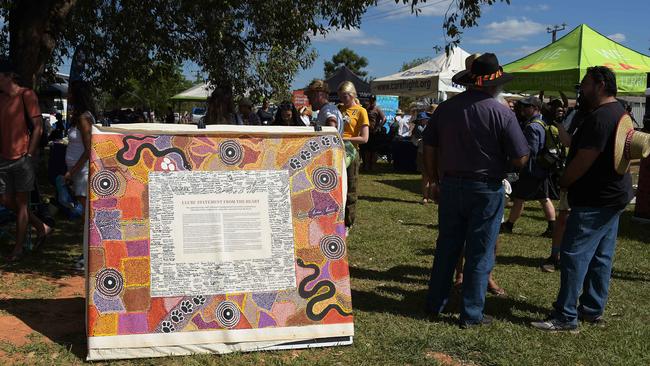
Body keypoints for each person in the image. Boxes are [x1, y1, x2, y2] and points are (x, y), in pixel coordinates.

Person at [423, 53, 529, 328]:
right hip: (485, 188)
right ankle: (471, 314)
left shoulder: (445, 109)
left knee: (447, 246)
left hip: (450, 185)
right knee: (480, 252)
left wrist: (433, 180)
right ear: (494, 84)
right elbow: (520, 158)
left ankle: (435, 304)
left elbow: (429, 147)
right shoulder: (502, 112)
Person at [531, 66, 640, 332]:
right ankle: (591, 309)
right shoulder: (618, 112)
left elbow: (584, 159)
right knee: (602, 256)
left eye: (585, 84)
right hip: (614, 196)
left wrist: (565, 180)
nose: (581, 89)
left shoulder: (600, 118)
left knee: (573, 255)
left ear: (600, 85)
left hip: (594, 198)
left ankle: (565, 316)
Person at [0, 60, 52, 262]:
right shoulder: (1, 99)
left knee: (22, 204)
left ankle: (18, 249)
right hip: (3, 158)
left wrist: (29, 154)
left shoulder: (26, 95)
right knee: (4, 199)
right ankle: (41, 226)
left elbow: (38, 126)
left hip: (22, 157)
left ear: (8, 76)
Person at [501, 96, 557, 237]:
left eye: (527, 106)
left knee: (521, 197)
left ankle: (509, 225)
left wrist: (519, 163)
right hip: (540, 169)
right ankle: (552, 226)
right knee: (543, 197)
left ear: (536, 108)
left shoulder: (533, 126)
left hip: (531, 169)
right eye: (523, 106)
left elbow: (530, 150)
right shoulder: (542, 122)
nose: (523, 109)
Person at [65, 81, 96, 270]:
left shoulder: (84, 118)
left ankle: (88, 257)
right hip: (79, 173)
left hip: (83, 172)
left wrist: (72, 171)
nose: (67, 97)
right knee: (85, 216)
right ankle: (86, 253)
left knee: (87, 218)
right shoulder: (82, 116)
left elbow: (88, 149)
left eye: (70, 94)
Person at [338, 81, 369, 234]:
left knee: (351, 187)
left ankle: (348, 222)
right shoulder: (338, 109)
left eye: (345, 96)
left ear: (352, 95)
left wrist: (345, 139)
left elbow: (364, 138)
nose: (343, 99)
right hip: (337, 152)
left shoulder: (361, 111)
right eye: (341, 96)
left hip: (352, 153)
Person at [361, 95, 387, 172]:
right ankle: (366, 165)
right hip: (367, 132)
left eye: (373, 100)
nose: (372, 102)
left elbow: (384, 119)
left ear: (375, 101)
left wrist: (379, 126)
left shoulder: (378, 109)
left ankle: (373, 166)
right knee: (366, 150)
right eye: (371, 100)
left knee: (374, 150)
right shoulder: (367, 109)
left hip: (374, 133)